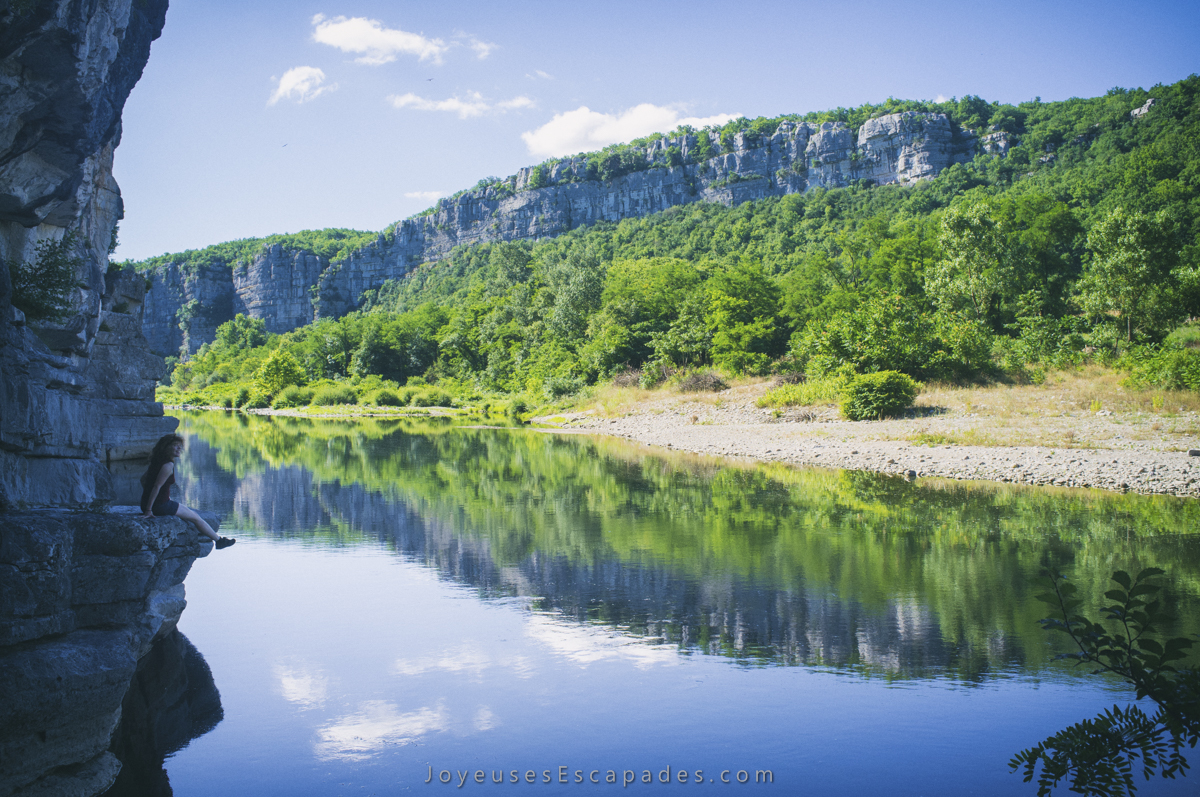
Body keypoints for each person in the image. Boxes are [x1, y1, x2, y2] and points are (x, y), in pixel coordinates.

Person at [140, 434, 235, 549]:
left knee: (190, 513)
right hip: (159, 506)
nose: (179, 449)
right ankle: (219, 541)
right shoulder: (168, 465)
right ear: (166, 447)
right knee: (196, 518)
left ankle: (220, 540)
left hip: (150, 504)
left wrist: (149, 501)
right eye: (175, 446)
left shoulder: (157, 461)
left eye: (180, 446)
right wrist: (149, 510)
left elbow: (143, 480)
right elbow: (156, 487)